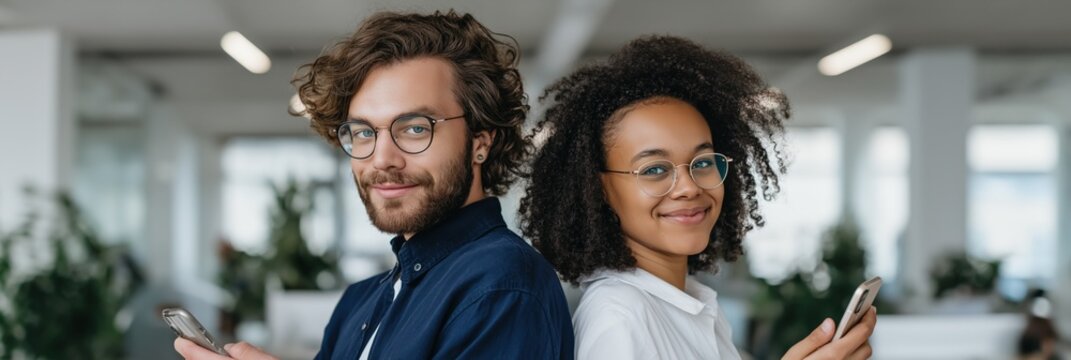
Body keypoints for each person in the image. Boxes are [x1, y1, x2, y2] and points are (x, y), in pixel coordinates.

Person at [175, 10, 574, 360]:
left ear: (479, 143)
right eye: (364, 132)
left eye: (415, 128)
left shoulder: (502, 285)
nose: (382, 159)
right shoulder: (360, 302)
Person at [519, 35, 876, 359]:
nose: (689, 187)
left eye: (703, 162)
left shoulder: (694, 304)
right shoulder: (619, 318)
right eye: (655, 169)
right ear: (599, 189)